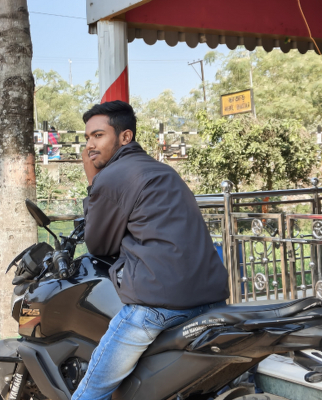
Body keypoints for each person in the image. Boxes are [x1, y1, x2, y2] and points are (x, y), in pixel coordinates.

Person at [72, 100, 229, 400]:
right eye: (87, 137)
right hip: (211, 299)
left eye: (98, 135)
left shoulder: (113, 177)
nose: (90, 145)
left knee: (91, 392)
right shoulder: (163, 170)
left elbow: (99, 245)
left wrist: (93, 180)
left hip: (159, 306)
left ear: (125, 136)